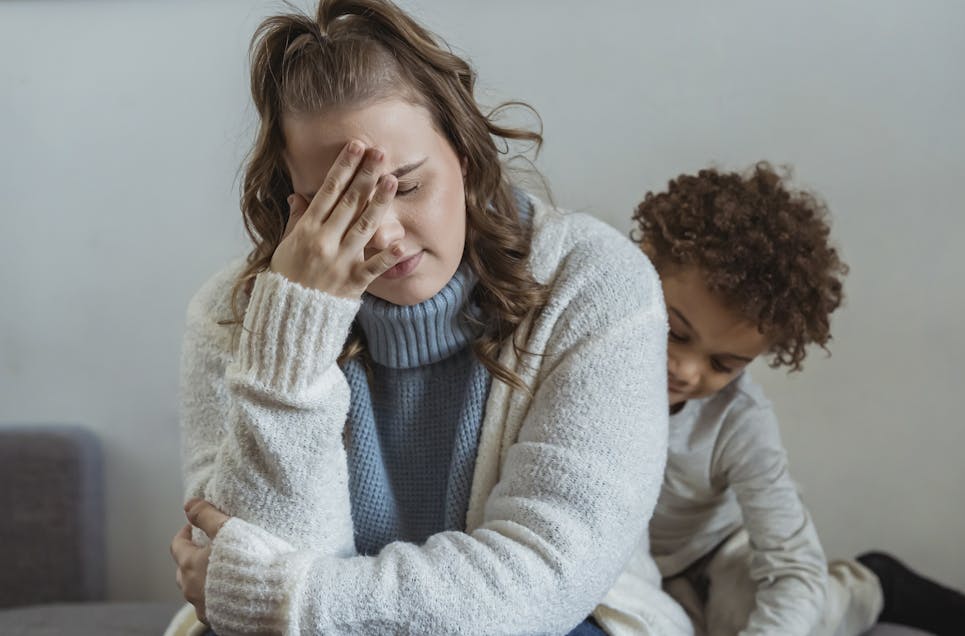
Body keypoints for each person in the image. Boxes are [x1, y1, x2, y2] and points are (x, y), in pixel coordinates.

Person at [166, 1, 691, 634]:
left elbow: (538, 581)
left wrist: (288, 600)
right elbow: (251, 568)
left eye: (408, 187)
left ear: (464, 155)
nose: (383, 235)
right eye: (338, 203)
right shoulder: (233, 315)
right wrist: (295, 332)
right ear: (295, 200)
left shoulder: (594, 284)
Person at [633, 163, 965, 636]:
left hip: (719, 550)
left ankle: (871, 584)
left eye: (723, 364)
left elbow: (792, 566)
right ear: (640, 263)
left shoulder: (739, 422)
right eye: (675, 332)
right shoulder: (584, 358)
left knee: (790, 615)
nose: (685, 369)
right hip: (635, 567)